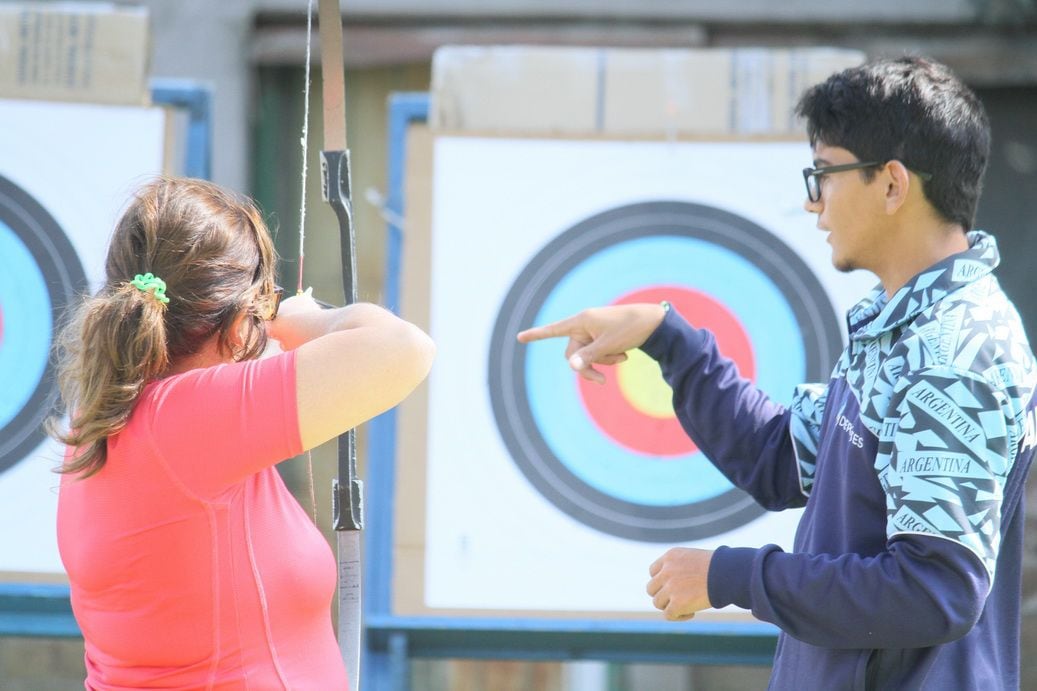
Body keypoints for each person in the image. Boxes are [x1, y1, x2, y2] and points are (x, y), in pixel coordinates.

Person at [518, 56, 1037, 689]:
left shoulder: (954, 351)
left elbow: (934, 591)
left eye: (824, 173)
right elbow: (779, 461)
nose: (812, 201)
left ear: (893, 184)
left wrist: (730, 575)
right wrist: (667, 338)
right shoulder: (901, 327)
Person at [50, 177, 435, 689]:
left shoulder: (107, 418)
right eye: (263, 304)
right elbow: (404, 350)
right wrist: (311, 322)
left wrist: (261, 324)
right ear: (238, 324)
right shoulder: (186, 422)